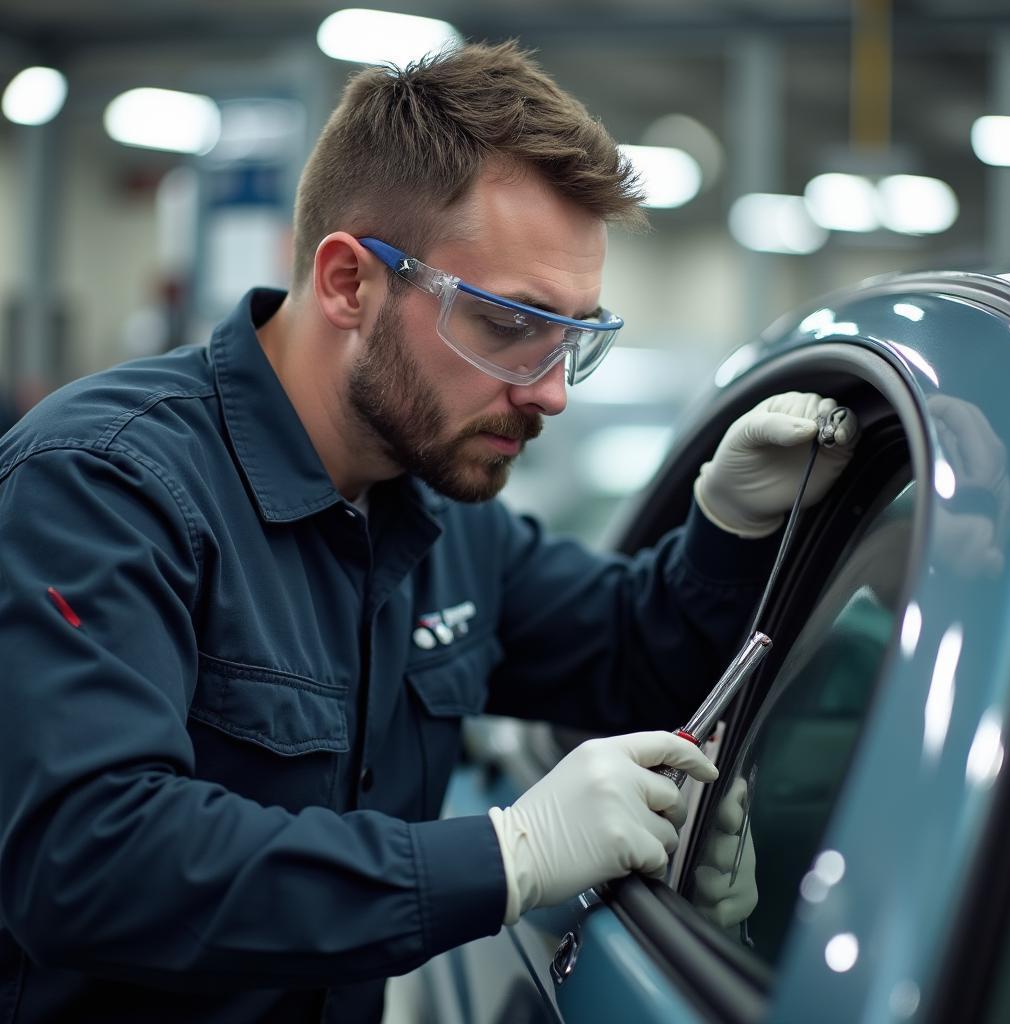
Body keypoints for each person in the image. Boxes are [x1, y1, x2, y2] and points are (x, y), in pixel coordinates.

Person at [0, 41, 856, 1023]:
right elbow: (88, 858)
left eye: (575, 339)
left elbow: (632, 648)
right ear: (348, 283)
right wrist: (504, 856)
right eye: (508, 324)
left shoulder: (436, 513)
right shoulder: (104, 485)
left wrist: (730, 522)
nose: (547, 391)